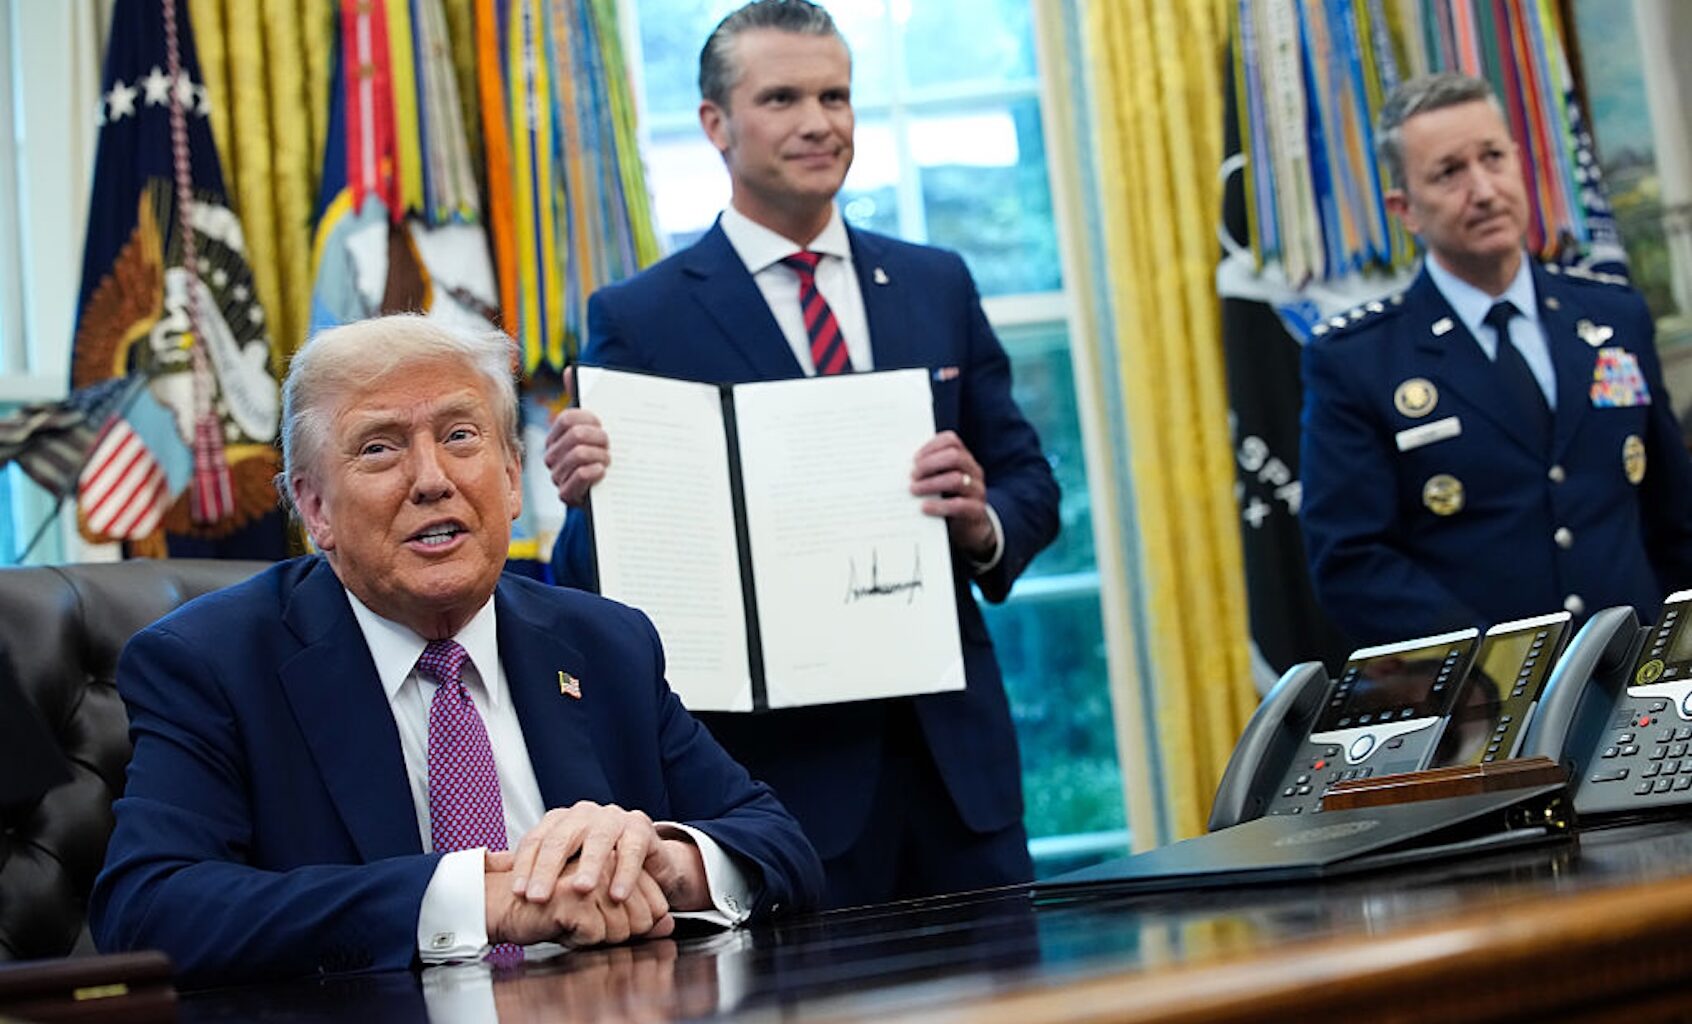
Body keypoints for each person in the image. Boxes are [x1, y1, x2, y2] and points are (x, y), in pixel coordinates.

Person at [90, 315, 823, 987]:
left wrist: (662, 862)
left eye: (461, 437)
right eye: (379, 448)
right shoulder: (211, 662)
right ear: (313, 508)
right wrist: (478, 898)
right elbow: (150, 908)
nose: (433, 480)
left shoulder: (606, 643)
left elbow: (777, 844)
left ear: (511, 477)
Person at [543, 0, 1059, 908]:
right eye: (782, 98)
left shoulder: (937, 282)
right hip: (782, 792)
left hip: (959, 776)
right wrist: (588, 501)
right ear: (716, 123)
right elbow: (601, 586)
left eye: (837, 95)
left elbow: (1031, 486)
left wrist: (982, 520)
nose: (820, 123)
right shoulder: (641, 317)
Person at [1300, 72, 1692, 646]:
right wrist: (1498, 671)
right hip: (1487, 710)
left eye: (1493, 158)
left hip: (1636, 692)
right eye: (1449, 172)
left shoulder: (1613, 317)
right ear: (1405, 209)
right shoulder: (1359, 362)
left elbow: (1673, 516)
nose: (1483, 190)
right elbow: (1354, 563)